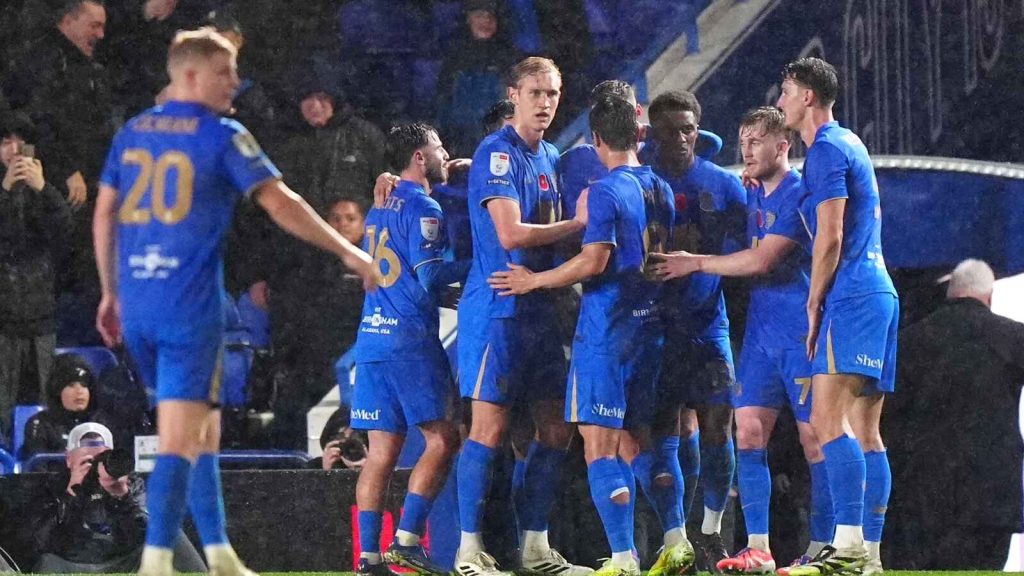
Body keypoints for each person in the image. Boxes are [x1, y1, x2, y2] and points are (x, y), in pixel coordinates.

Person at [92, 28, 378, 576]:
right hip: (188, 307)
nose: (235, 83)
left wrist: (109, 290)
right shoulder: (223, 134)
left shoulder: (132, 132)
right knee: (181, 434)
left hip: (139, 306)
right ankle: (156, 561)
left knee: (204, 429)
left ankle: (220, 552)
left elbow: (105, 212)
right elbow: (282, 202)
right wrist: (349, 253)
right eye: (225, 71)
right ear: (192, 75)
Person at [489, 95, 678, 576]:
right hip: (650, 327)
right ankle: (676, 537)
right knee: (638, 441)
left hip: (607, 330)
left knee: (599, 445)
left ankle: (622, 559)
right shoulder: (661, 187)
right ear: (639, 134)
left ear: (596, 140)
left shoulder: (605, 191)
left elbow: (594, 260)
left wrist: (533, 280)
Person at [653, 106, 833, 572]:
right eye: (743, 141)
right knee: (748, 435)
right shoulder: (749, 195)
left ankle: (826, 546)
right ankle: (758, 548)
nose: (746, 151)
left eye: (756, 142)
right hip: (759, 336)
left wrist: (695, 261)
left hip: (801, 333)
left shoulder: (798, 195)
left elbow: (759, 262)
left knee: (816, 442)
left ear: (782, 147)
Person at [456, 56, 590, 576]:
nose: (545, 103)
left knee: (557, 429)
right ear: (513, 95)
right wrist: (576, 225)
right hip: (498, 310)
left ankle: (532, 547)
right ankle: (469, 550)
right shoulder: (496, 153)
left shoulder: (550, 155)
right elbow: (511, 233)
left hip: (538, 309)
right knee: (487, 430)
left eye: (553, 94)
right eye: (535, 92)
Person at [773, 57, 897, 576]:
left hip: (852, 296)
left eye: (784, 91)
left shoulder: (824, 148)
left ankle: (844, 548)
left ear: (806, 96)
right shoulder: (851, 142)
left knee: (827, 420)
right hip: (881, 292)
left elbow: (831, 233)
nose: (779, 101)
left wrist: (813, 298)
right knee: (866, 431)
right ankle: (868, 553)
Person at [352, 123, 467, 576]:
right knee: (443, 437)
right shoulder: (422, 205)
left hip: (372, 337)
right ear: (420, 157)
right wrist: (483, 265)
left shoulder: (378, 206)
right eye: (439, 147)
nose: (445, 153)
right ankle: (406, 539)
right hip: (409, 342)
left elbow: (395, 271)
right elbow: (431, 275)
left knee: (382, 452)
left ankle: (368, 558)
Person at [641, 90, 747, 571]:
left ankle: (710, 532)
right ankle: (674, 536)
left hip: (708, 325)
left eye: (688, 129)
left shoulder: (723, 185)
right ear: (653, 133)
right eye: (671, 130)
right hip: (655, 329)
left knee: (718, 425)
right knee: (664, 431)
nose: (681, 138)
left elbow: (750, 250)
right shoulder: (638, 182)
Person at [888, 259, 1024, 569]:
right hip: (991, 494)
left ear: (951, 292)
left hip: (923, 492)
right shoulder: (1012, 338)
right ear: (989, 296)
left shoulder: (910, 341)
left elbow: (888, 416)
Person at [27, 422, 206, 573]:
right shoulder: (55, 485)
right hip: (73, 563)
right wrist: (73, 493)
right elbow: (42, 543)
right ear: (69, 459)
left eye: (101, 459)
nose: (95, 466)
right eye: (88, 461)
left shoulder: (129, 482)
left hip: (121, 559)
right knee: (47, 562)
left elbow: (149, 532)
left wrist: (122, 497)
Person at [0, 113, 72, 439]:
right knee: (3, 401)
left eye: (20, 142)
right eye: (5, 142)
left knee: (48, 400)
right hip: (3, 316)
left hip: (42, 311)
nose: (14, 150)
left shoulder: (44, 185)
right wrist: (5, 190)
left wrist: (43, 189)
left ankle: (46, 460)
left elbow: (66, 235)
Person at [20, 354, 105, 462]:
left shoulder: (101, 424)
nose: (79, 391)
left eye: (84, 385)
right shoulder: (40, 425)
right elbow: (36, 471)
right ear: (57, 391)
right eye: (71, 385)